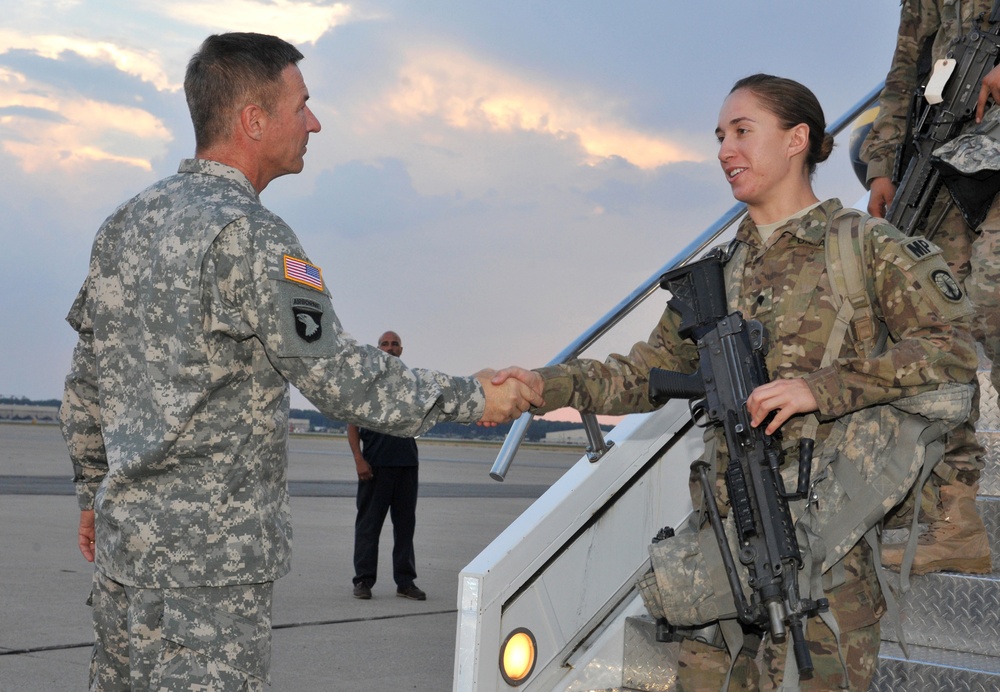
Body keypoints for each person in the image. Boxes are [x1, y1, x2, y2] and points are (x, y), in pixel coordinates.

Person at [60, 32, 542, 691]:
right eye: (302, 105)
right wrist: (473, 398)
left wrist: (93, 492)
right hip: (211, 577)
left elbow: (87, 383)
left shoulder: (122, 226)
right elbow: (339, 375)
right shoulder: (252, 236)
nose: (313, 122)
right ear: (254, 121)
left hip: (125, 557)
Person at [495, 74, 979, 689]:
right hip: (722, 552)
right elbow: (645, 374)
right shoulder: (716, 275)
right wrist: (541, 385)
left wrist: (821, 389)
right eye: (720, 136)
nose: (725, 149)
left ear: (797, 138)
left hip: (824, 562)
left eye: (743, 131)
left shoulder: (864, 246)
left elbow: (953, 349)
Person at [860, 0, 999, 575]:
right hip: (951, 153)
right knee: (941, 326)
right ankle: (955, 518)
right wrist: (883, 164)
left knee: (991, 301)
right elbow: (904, 71)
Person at [347, 331, 426, 601]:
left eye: (394, 344)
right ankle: (363, 581)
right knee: (368, 527)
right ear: (378, 349)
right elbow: (352, 424)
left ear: (401, 350)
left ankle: (405, 582)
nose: (390, 348)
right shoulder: (366, 382)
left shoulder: (411, 382)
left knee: (405, 528)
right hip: (375, 466)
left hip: (406, 464)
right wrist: (359, 459)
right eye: (385, 344)